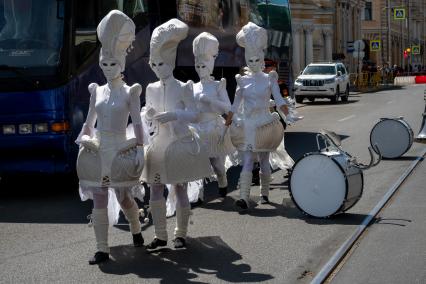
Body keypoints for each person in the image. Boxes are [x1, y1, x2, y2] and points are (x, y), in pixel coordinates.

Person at [75, 10, 145, 265]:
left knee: (123, 196)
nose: (107, 68)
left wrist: (139, 149)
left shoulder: (131, 92)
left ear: (121, 64)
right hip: (99, 148)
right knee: (100, 196)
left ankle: (136, 227)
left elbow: (136, 122)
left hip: (120, 150)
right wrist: (82, 138)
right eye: (103, 63)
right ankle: (102, 248)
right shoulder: (97, 91)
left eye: (112, 63)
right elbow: (90, 120)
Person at [141, 19, 212, 249]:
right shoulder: (150, 88)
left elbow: (194, 114)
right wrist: (149, 113)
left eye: (161, 63)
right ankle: (160, 235)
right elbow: (146, 112)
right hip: (159, 144)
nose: (157, 68)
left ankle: (180, 233)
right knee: (155, 188)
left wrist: (174, 115)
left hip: (179, 142)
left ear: (170, 63)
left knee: (179, 187)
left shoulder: (183, 86)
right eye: (153, 64)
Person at [226, 22, 289, 209]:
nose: (253, 63)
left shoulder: (269, 79)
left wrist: (286, 110)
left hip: (264, 123)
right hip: (247, 124)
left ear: (261, 60)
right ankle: (244, 197)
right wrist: (227, 120)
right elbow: (235, 104)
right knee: (247, 159)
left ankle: (264, 194)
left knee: (263, 159)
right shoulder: (242, 81)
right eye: (250, 60)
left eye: (256, 60)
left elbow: (278, 98)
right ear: (246, 60)